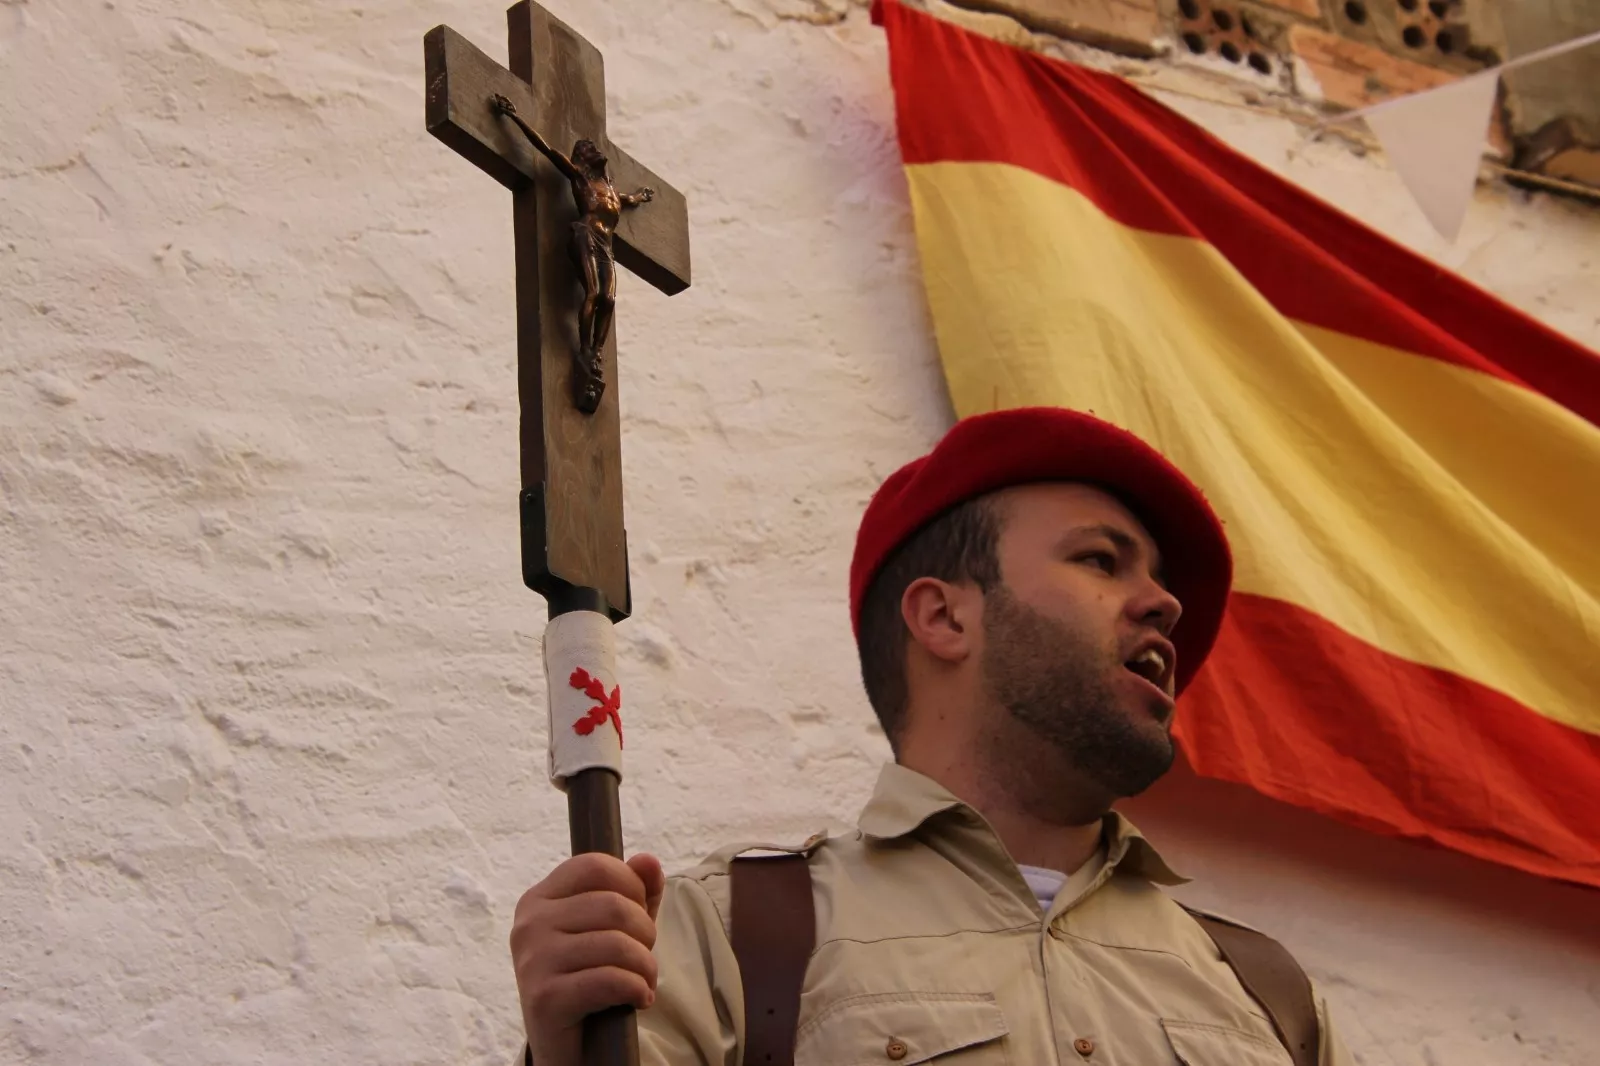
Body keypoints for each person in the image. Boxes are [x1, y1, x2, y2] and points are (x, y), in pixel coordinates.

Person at [509, 407, 1353, 1065]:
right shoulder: (727, 936)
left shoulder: (1269, 991)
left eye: (1158, 580)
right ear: (944, 616)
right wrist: (562, 1048)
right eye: (1102, 560)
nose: (1163, 603)